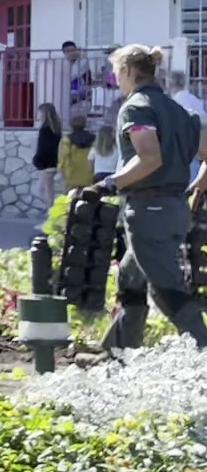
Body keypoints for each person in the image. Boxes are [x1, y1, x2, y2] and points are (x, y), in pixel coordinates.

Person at [95, 44, 207, 352]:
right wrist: (197, 187)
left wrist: (110, 182)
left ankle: (203, 347)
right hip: (172, 209)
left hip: (149, 210)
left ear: (129, 71)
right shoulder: (182, 112)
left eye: (116, 72)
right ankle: (116, 353)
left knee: (165, 290)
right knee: (131, 279)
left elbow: (149, 158)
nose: (115, 78)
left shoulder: (136, 108)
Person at [33, 102, 63, 207]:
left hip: (45, 164)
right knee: (47, 189)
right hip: (53, 162)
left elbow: (43, 148)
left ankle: (51, 215)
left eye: (40, 113)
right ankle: (51, 213)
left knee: (46, 190)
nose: (38, 116)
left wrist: (37, 160)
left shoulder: (45, 130)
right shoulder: (56, 128)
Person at [59, 112, 95, 192]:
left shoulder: (66, 140)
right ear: (85, 124)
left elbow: (63, 158)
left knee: (70, 200)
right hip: (89, 175)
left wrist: (63, 174)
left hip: (71, 175)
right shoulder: (94, 139)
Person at [90, 105, 121, 179]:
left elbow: (90, 165)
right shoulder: (117, 148)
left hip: (98, 175)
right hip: (113, 175)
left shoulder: (95, 149)